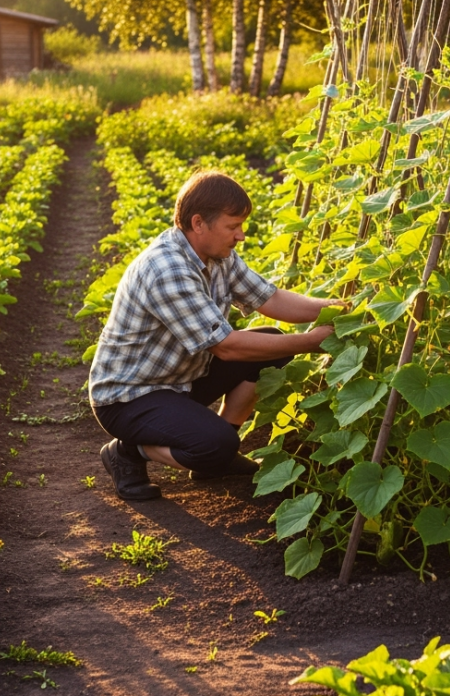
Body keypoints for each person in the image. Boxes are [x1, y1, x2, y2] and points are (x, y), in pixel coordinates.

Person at [88, 170, 340, 501]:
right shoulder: (168, 269)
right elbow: (226, 347)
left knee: (272, 345)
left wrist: (337, 308)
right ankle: (128, 451)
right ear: (198, 223)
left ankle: (216, 459)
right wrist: (309, 342)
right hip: (129, 397)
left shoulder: (217, 256)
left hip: (180, 378)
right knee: (216, 443)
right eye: (233, 226)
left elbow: (270, 299)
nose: (241, 236)